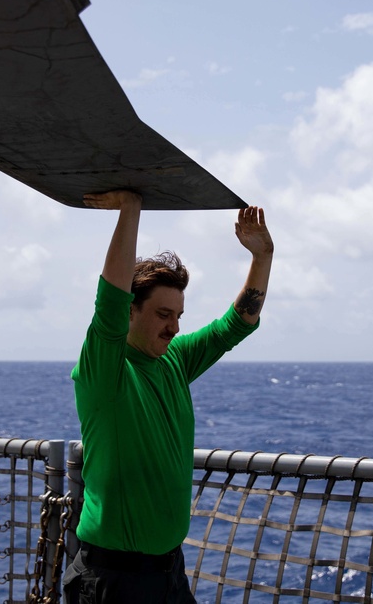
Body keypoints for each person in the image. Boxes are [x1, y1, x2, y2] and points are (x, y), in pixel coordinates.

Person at [63, 189, 274, 604]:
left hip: (168, 572)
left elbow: (236, 324)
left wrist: (261, 257)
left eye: (178, 315)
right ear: (130, 312)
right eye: (163, 314)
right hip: (113, 580)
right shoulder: (105, 372)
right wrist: (130, 209)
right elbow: (109, 302)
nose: (174, 327)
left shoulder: (174, 360)